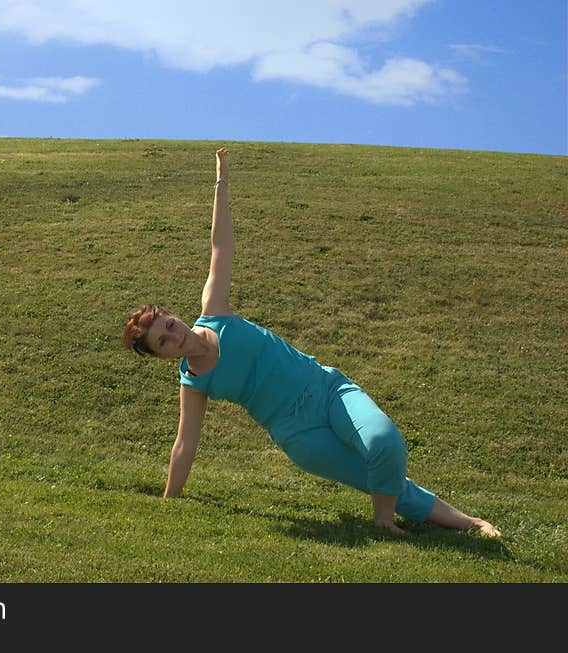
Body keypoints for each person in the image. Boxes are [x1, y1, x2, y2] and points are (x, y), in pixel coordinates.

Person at [122, 148, 501, 537]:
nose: (174, 335)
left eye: (168, 323)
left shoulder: (215, 310)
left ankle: (387, 517)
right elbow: (185, 445)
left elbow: (221, 247)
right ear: (161, 355)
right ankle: (461, 523)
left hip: (326, 388)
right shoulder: (194, 382)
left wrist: (221, 183)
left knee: (384, 442)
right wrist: (170, 504)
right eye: (163, 342)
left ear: (173, 313)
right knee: (373, 476)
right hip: (298, 435)